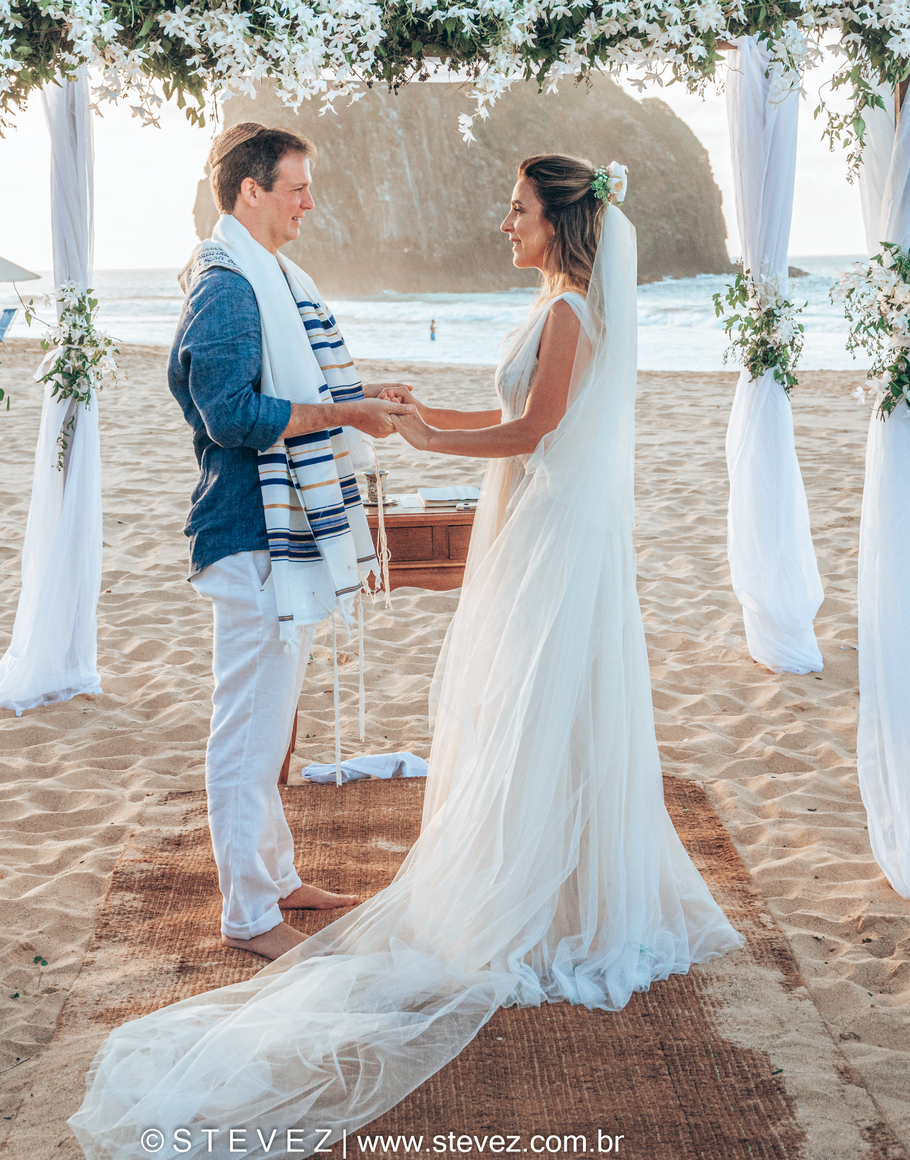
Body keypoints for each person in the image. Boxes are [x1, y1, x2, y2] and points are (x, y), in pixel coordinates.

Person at [72, 152, 741, 1159]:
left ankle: (545, 894)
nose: (501, 221)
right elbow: (516, 421)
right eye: (296, 186)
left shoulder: (566, 314)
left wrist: (422, 440)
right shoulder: (555, 303)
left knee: (538, 703)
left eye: (515, 209)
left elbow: (536, 429)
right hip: (539, 521)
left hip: (552, 532)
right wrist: (419, 417)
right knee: (527, 706)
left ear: (558, 223)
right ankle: (525, 878)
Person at [164, 122, 414, 963]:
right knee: (246, 733)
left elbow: (287, 387)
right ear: (250, 192)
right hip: (251, 532)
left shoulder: (265, 274)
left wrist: (359, 393)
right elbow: (231, 414)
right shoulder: (229, 284)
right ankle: (246, 914)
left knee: (269, 732)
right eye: (297, 186)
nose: (310, 201)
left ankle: (274, 879)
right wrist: (344, 413)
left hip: (277, 533)